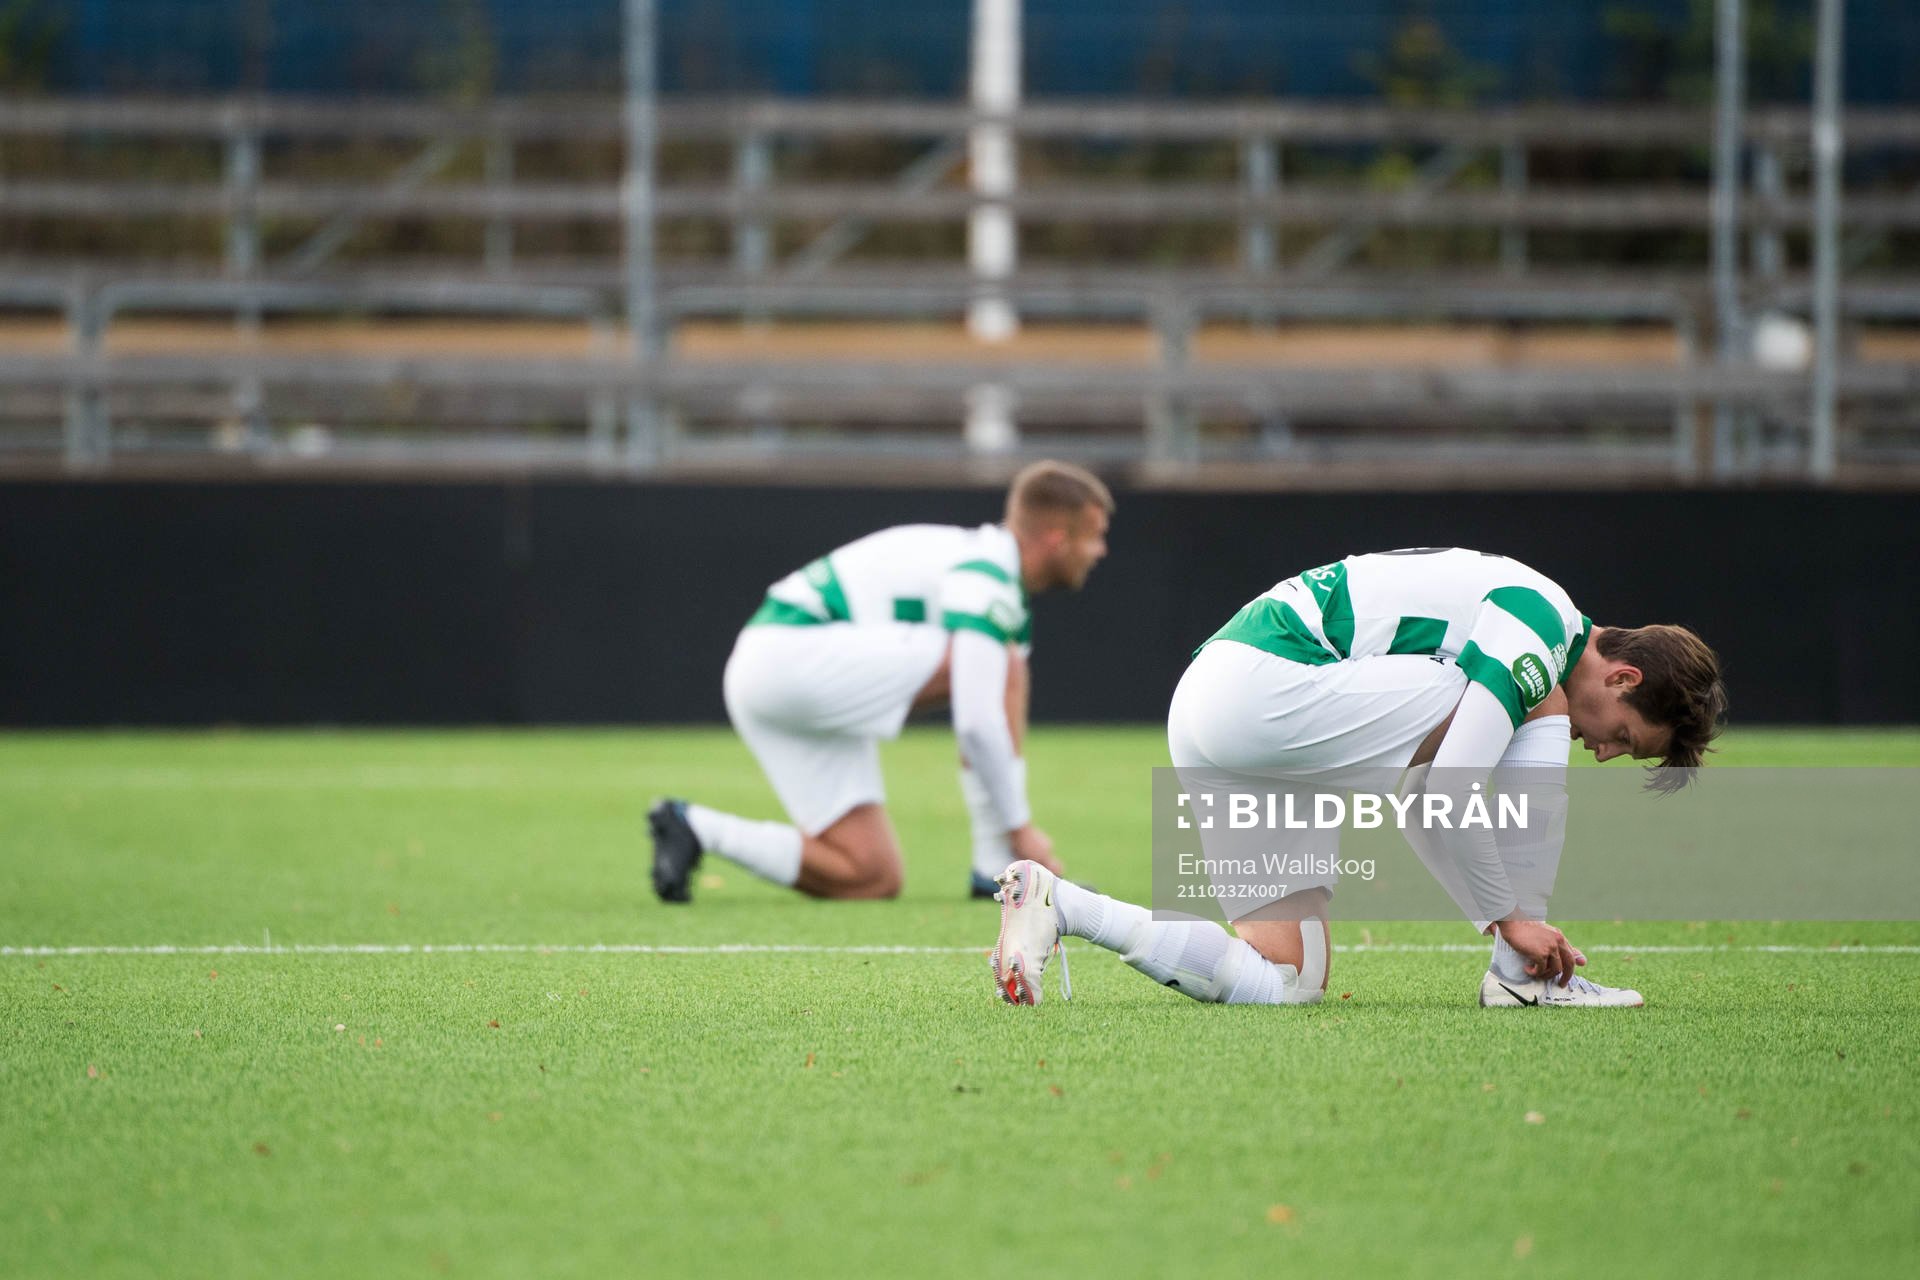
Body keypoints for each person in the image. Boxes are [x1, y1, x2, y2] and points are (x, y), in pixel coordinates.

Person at [989, 546, 1727, 1009]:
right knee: (1539, 702)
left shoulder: (1532, 625)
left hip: (1224, 712)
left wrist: (1500, 914)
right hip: (1268, 689)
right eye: (1624, 737)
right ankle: (1523, 979)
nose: (1600, 752)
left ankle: (1061, 905)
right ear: (1624, 675)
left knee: (1284, 981)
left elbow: (1423, 804)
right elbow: (1445, 795)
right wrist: (1510, 918)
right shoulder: (1544, 629)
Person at [650, 461, 1113, 903]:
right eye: (1095, 537)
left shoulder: (984, 567)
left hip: (769, 672)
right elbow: (975, 719)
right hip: (790, 655)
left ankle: (695, 826)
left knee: (869, 875)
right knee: (1001, 664)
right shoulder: (987, 574)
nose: (1100, 551)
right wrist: (1020, 828)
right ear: (1056, 538)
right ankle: (996, 864)